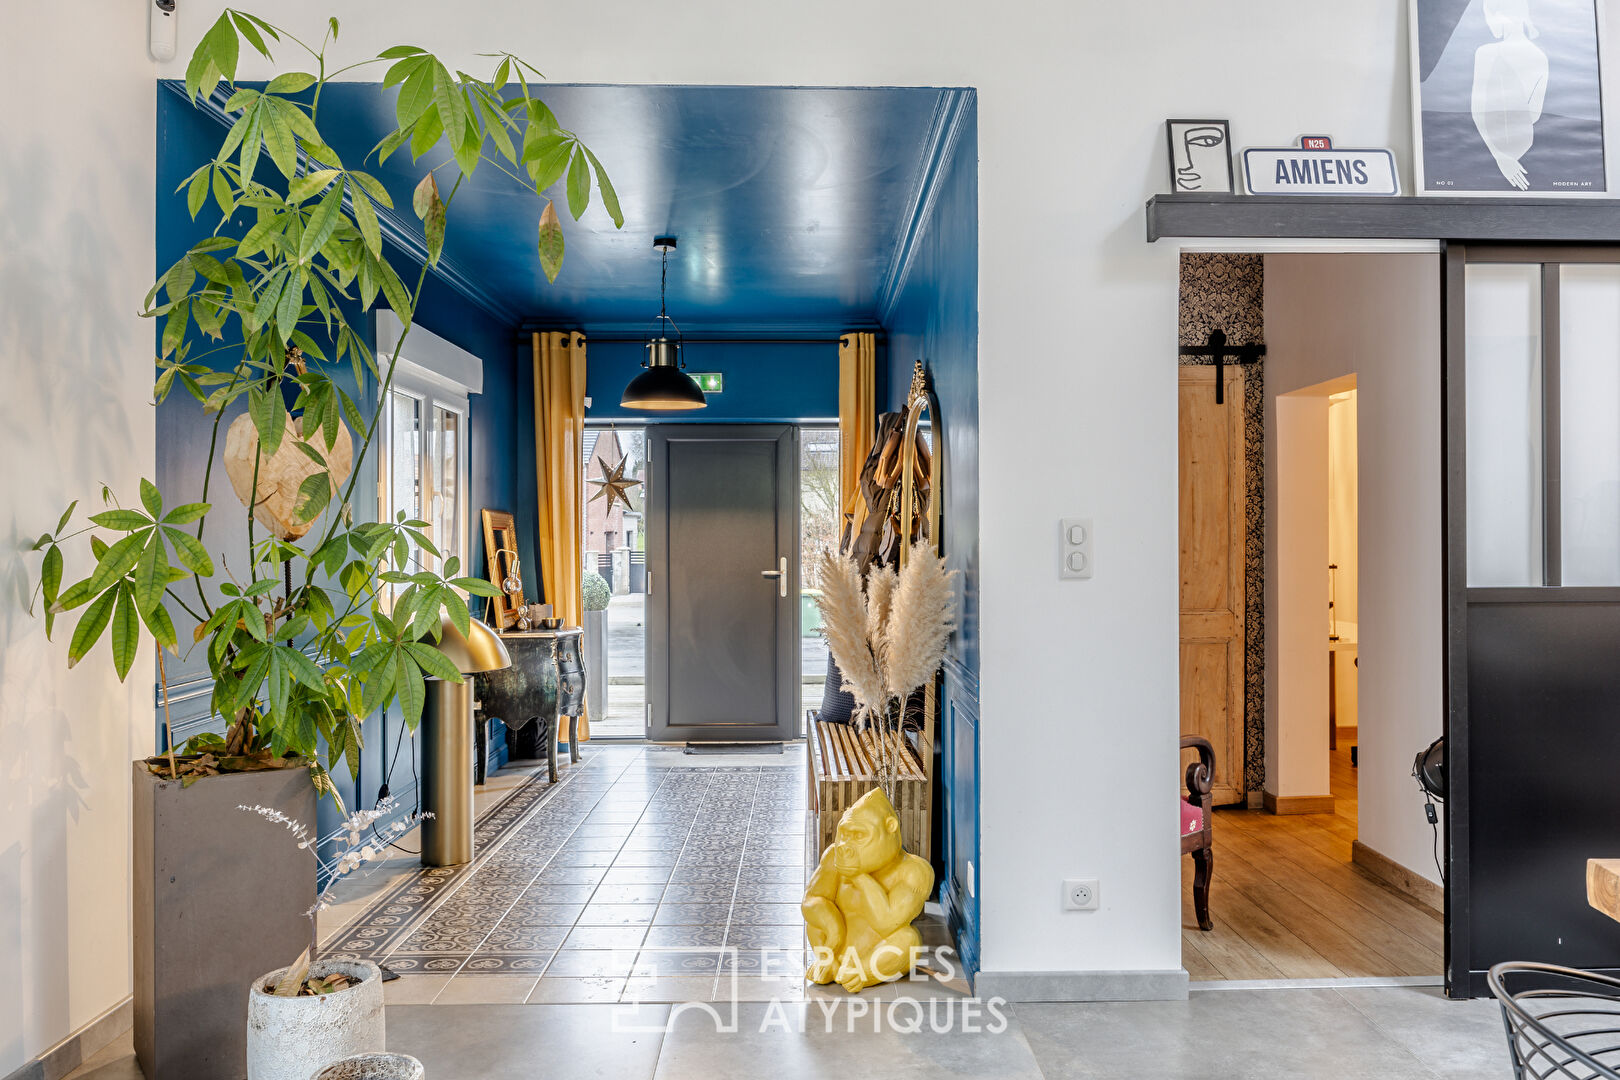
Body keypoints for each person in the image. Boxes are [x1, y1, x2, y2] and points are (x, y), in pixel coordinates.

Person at [1472, 0, 1547, 191]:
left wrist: (1500, 156)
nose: (1488, 23)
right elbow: (1534, 115)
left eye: (1488, 17)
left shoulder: (1486, 53)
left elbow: (1478, 110)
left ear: (1500, 17)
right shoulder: (1540, 56)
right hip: (1526, 147)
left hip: (1489, 149)